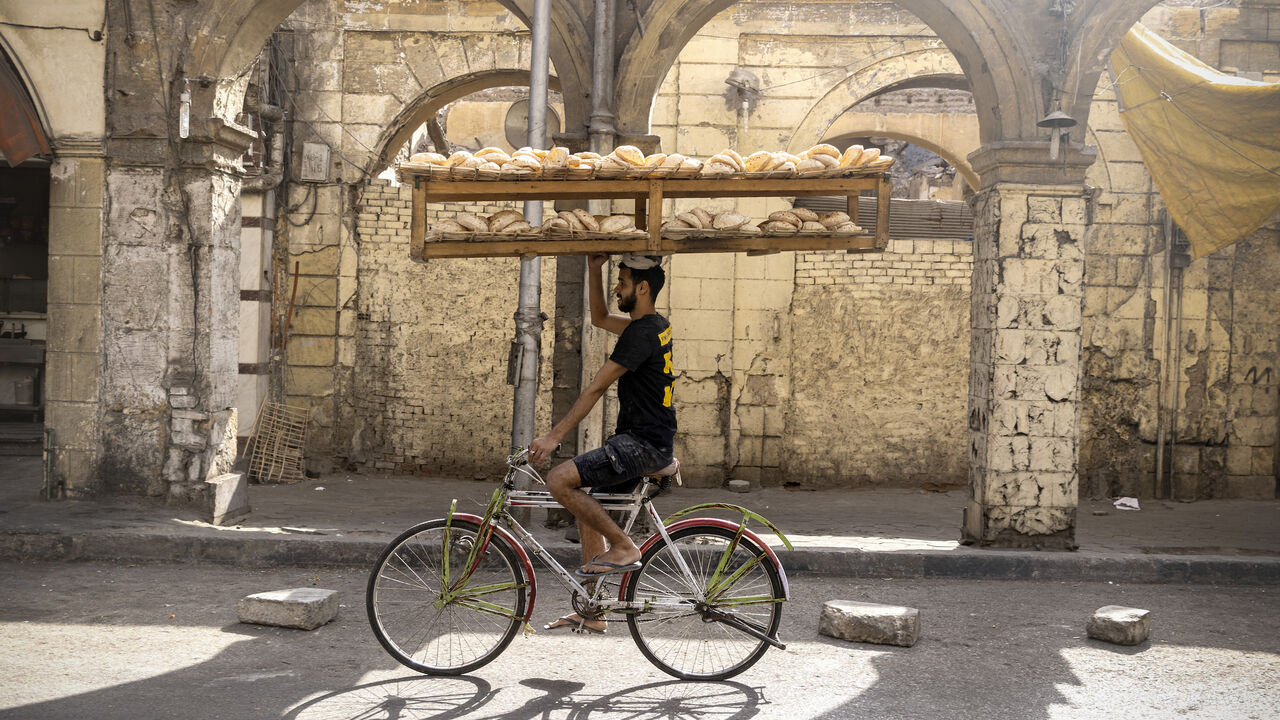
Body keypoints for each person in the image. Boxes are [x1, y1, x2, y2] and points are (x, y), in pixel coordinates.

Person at [529, 252, 676, 634]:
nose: (617, 288)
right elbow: (597, 318)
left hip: (641, 443)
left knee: (560, 480)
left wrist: (553, 436)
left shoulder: (640, 334)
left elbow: (595, 388)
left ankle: (625, 547)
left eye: (622, 282)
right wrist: (594, 269)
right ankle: (593, 610)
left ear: (642, 288)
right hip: (646, 440)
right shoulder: (652, 325)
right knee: (588, 506)